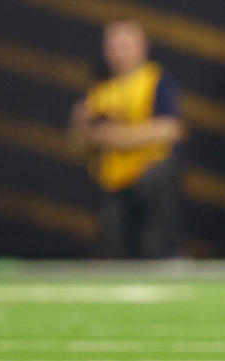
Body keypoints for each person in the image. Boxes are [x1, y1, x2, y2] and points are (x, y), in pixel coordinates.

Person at [69, 20, 186, 259]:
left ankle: (168, 256)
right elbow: (77, 147)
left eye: (125, 45)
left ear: (142, 47)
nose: (119, 53)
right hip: (113, 180)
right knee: (114, 246)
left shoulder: (155, 80)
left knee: (160, 180)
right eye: (113, 46)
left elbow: (171, 129)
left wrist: (118, 138)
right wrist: (79, 124)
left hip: (148, 174)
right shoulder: (100, 92)